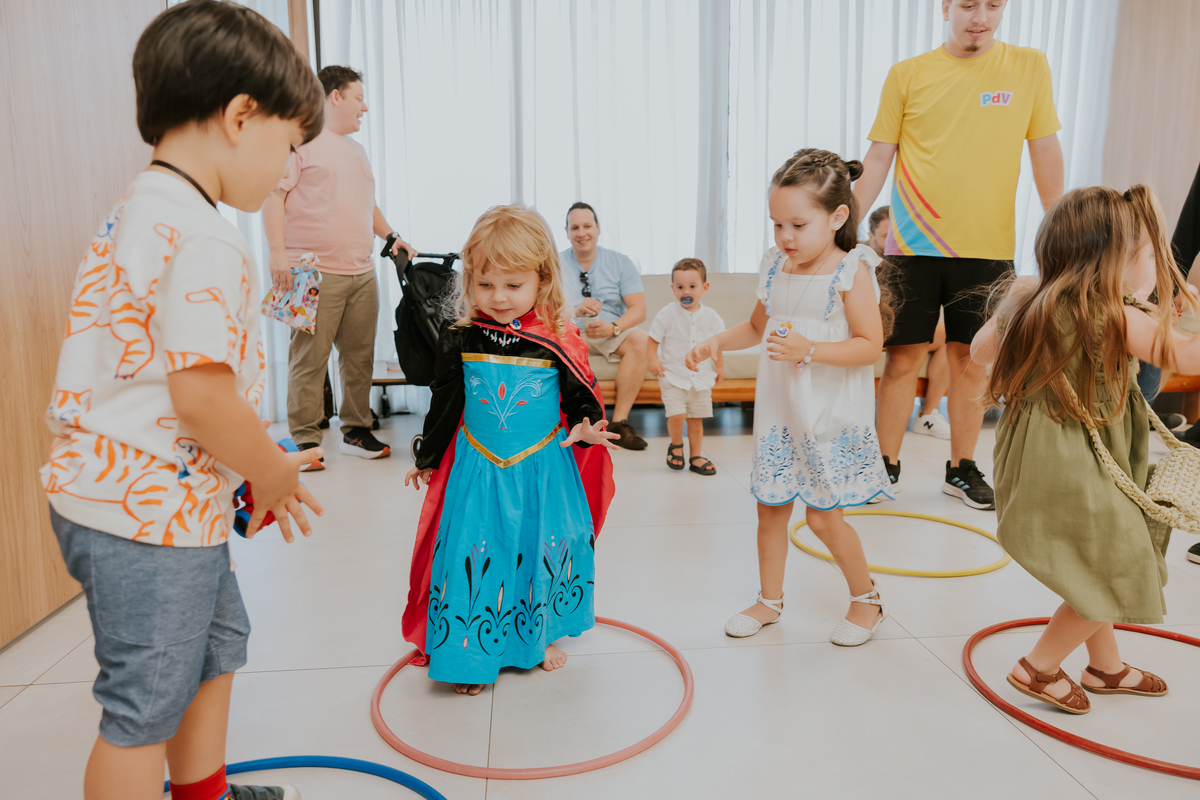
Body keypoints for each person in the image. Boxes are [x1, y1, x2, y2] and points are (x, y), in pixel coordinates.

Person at [39, 3, 326, 798]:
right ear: (242, 116)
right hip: (144, 515)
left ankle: (204, 793)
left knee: (215, 644)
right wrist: (268, 470)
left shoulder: (138, 208)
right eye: (289, 147)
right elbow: (199, 396)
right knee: (144, 707)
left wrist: (244, 468)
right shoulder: (204, 236)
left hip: (149, 503)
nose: (288, 171)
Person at [972, 184, 1197, 714]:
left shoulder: (1036, 299)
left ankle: (1105, 667)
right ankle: (1038, 668)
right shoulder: (1115, 314)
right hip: (1075, 463)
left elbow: (981, 352)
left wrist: (1011, 307)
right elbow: (1185, 356)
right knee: (1121, 565)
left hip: (1038, 458)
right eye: (1145, 255)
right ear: (1114, 262)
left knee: (1103, 558)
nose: (1151, 266)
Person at [854, 0, 1064, 509]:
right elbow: (880, 155)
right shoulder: (908, 75)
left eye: (993, 5)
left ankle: (962, 468)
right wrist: (843, 224)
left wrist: (1062, 226)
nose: (980, 16)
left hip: (988, 247)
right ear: (945, 6)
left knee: (974, 360)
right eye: (968, 4)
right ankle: (885, 465)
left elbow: (1045, 148)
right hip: (910, 247)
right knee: (903, 358)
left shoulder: (1028, 65)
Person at [400, 205, 617, 696]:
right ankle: (469, 653)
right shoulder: (459, 336)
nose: (498, 298)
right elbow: (446, 399)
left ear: (542, 281)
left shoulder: (557, 336)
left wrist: (586, 426)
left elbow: (580, 391)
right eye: (485, 285)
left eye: (513, 286)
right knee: (476, 553)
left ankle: (536, 638)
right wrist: (428, 456)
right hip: (479, 469)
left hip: (542, 468)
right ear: (470, 281)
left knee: (536, 547)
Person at [688, 149, 894, 647]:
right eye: (777, 224)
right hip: (782, 413)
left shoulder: (852, 271)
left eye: (798, 224)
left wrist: (812, 348)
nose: (785, 237)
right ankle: (769, 600)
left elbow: (870, 346)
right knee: (770, 508)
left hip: (827, 413)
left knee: (824, 519)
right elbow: (757, 327)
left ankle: (867, 600)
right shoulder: (775, 267)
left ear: (837, 217)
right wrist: (716, 340)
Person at [262, 65, 417, 470]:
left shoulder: (356, 150)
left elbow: (366, 207)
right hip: (309, 268)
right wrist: (277, 254)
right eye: (358, 98)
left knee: (358, 357)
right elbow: (273, 197)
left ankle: (355, 429)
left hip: (361, 270)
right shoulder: (301, 141)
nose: (364, 107)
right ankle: (305, 440)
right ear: (334, 96)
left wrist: (389, 235)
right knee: (308, 360)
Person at [560, 202, 650, 450]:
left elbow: (639, 309)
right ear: (566, 231)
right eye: (575, 227)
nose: (582, 233)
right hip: (568, 330)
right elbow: (543, 308)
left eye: (587, 226)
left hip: (609, 330)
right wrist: (576, 310)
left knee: (641, 340)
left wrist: (614, 328)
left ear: (598, 228)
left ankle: (619, 422)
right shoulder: (554, 264)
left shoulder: (620, 262)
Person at [868, 206, 950, 440]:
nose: (891, 242)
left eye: (897, 236)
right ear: (871, 235)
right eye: (885, 236)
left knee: (947, 334)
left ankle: (928, 415)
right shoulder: (861, 261)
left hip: (898, 329)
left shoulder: (910, 262)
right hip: (868, 330)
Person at [647, 258, 725, 475]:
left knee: (695, 419)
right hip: (672, 376)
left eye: (692, 286)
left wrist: (719, 368)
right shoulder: (667, 314)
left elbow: (718, 345)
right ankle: (676, 444)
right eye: (680, 287)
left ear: (704, 288)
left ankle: (696, 455)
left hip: (700, 379)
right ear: (673, 289)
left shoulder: (711, 317)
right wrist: (653, 360)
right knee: (677, 415)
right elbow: (653, 339)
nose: (685, 291)